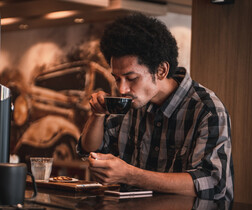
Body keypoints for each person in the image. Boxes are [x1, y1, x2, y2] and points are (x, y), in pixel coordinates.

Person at [77, 13, 234, 200]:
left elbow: (212, 183)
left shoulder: (207, 110)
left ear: (161, 70)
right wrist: (97, 115)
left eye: (131, 78)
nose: (122, 88)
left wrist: (130, 175)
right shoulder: (131, 104)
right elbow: (91, 149)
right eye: (117, 78)